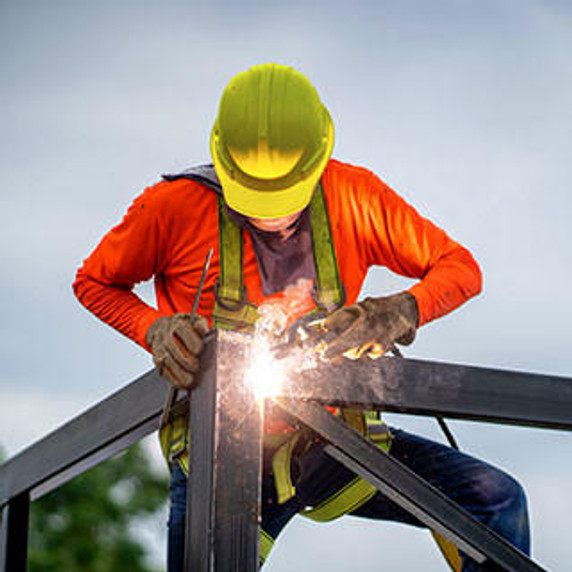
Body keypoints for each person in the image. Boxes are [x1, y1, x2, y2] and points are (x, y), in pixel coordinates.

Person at [73, 63, 530, 571]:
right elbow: (93, 282)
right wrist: (152, 328)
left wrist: (400, 310)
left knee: (495, 501)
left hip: (332, 441)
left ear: (317, 162)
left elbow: (460, 268)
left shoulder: (353, 197)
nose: (270, 215)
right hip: (220, 457)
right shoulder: (172, 208)